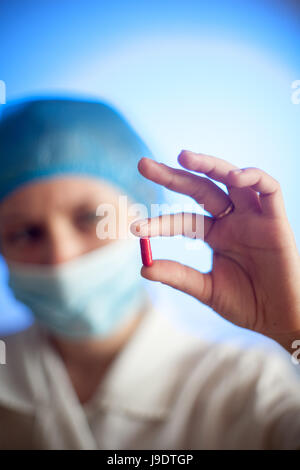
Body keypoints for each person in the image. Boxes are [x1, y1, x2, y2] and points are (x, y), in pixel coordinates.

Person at [0, 96, 300, 450]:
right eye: (25, 233)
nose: (61, 258)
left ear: (143, 216)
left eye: (91, 218)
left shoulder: (251, 387)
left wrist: (292, 329)